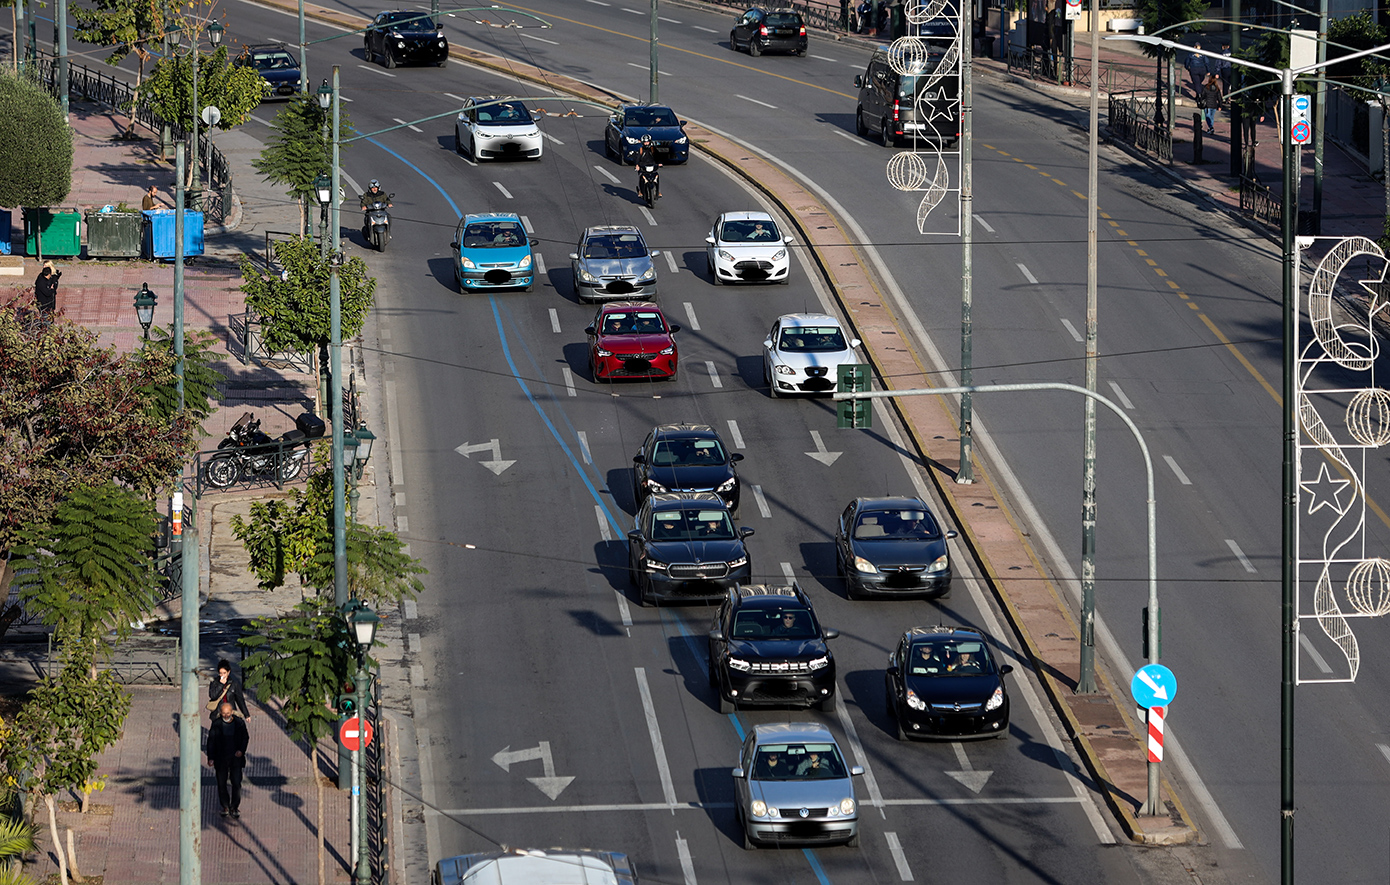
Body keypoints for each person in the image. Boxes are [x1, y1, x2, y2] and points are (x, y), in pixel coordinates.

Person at [206, 700, 250, 818]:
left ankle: (234, 807)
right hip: (221, 759)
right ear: (220, 713)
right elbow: (211, 741)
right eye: (224, 713)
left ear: (232, 712)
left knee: (236, 782)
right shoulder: (216, 724)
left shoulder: (239, 723)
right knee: (221, 783)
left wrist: (241, 750)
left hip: (235, 759)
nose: (226, 715)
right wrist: (211, 757)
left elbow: (245, 737)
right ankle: (225, 805)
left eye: (228, 713)